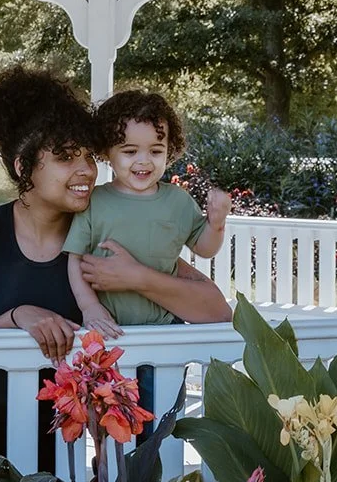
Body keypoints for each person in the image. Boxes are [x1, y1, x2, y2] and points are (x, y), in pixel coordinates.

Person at [0, 67, 231, 363]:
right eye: (66, 157)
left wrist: (137, 277)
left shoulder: (103, 223)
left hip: (98, 407)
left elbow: (218, 311)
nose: (87, 170)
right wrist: (18, 317)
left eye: (88, 156)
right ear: (23, 167)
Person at [65, 89, 232, 329]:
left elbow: (204, 248)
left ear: (169, 149)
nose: (144, 161)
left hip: (165, 328)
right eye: (130, 151)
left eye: (155, 151)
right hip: (109, 328)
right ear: (105, 153)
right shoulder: (95, 201)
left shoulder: (178, 201)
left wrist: (216, 224)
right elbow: (76, 260)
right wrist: (90, 307)